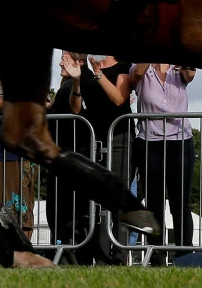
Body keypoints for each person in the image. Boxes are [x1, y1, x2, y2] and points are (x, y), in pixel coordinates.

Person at [131, 61, 195, 265]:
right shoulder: (142, 67)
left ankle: (184, 254)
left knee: (180, 203)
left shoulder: (178, 70)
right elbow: (135, 76)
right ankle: (156, 254)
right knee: (153, 203)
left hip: (180, 142)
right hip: (150, 142)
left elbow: (190, 74)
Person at [80, 53, 134, 263]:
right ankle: (100, 256)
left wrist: (98, 74)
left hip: (119, 137)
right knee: (97, 200)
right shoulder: (84, 69)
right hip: (93, 140)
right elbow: (77, 107)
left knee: (119, 196)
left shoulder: (123, 65)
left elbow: (119, 98)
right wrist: (76, 81)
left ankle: (120, 254)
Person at [46, 52, 93, 259]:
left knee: (65, 213)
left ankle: (69, 255)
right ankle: (65, 253)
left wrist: (75, 81)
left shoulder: (75, 85)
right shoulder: (65, 86)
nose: (59, 62)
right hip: (63, 157)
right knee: (61, 213)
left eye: (65, 58)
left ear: (79, 63)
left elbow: (75, 110)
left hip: (68, 158)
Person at [0, 72, 36, 240]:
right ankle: (10, 253)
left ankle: (23, 253)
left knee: (19, 212)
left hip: (16, 154)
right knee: (2, 209)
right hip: (0, 152)